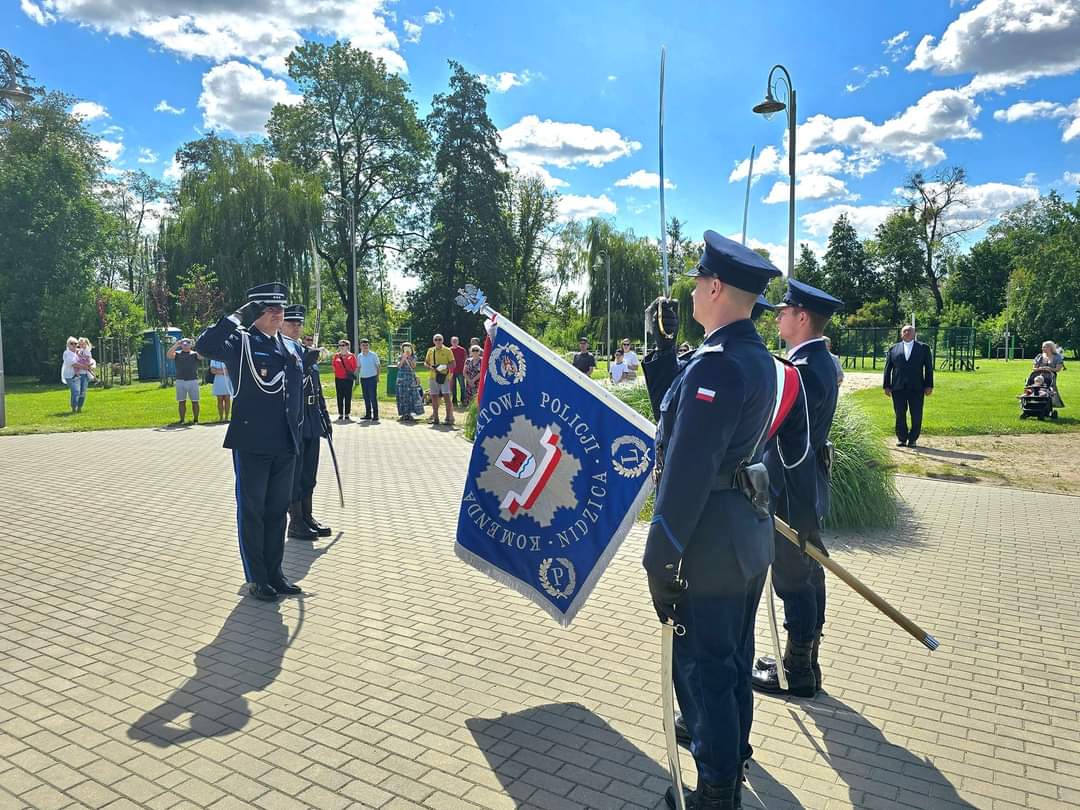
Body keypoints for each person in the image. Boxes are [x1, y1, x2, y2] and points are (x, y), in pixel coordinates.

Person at [642, 231, 792, 810]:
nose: (691, 293)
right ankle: (731, 760)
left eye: (697, 283)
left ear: (713, 287)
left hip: (707, 541)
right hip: (742, 538)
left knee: (706, 673)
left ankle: (715, 790)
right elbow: (690, 422)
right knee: (729, 662)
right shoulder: (749, 356)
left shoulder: (718, 367)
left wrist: (661, 553)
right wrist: (664, 356)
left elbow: (688, 467)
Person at [751, 279, 844, 699]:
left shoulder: (804, 370)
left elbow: (792, 440)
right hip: (802, 483)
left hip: (791, 486)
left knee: (794, 577)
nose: (778, 316)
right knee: (809, 568)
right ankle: (803, 659)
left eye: (784, 310)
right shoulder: (817, 362)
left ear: (802, 317)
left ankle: (799, 669)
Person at [195, 282, 304, 602]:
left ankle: (275, 572)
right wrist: (237, 317)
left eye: (280, 308)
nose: (277, 314)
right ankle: (257, 577)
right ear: (255, 312)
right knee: (253, 510)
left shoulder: (289, 345)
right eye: (268, 309)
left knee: (277, 511)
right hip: (253, 441)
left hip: (286, 442)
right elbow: (205, 345)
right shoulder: (239, 342)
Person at [281, 305, 333, 541]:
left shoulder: (303, 349)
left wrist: (324, 416)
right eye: (291, 323)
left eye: (299, 324)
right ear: (281, 325)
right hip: (294, 419)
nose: (296, 327)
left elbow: (316, 387)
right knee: (296, 471)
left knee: (309, 471)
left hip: (311, 416)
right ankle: (296, 521)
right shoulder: (280, 349)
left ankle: (308, 516)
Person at [883, 325, 934, 448]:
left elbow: (928, 368)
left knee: (916, 414)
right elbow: (887, 368)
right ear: (901, 334)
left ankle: (913, 439)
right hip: (898, 387)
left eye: (910, 331)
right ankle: (902, 438)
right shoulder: (893, 349)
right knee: (900, 413)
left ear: (914, 333)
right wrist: (886, 385)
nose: (907, 332)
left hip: (917, 387)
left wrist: (929, 385)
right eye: (904, 331)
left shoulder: (923, 348)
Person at [166, 338, 202, 424]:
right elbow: (168, 355)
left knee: (195, 401)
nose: (185, 344)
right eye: (183, 343)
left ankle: (196, 420)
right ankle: (182, 420)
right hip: (180, 380)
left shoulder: (195, 354)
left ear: (191, 344)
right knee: (181, 401)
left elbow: (202, 357)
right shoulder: (177, 354)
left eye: (188, 343)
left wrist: (195, 345)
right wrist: (176, 345)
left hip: (193, 380)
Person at [425, 333, 456, 426]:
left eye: (439, 339)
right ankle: (436, 418)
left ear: (442, 340)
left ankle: (448, 418)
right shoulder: (430, 350)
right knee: (434, 397)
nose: (438, 341)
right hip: (433, 377)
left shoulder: (448, 350)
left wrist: (444, 366)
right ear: (433, 341)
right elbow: (425, 363)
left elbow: (453, 364)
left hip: (444, 377)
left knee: (447, 397)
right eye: (436, 340)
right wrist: (430, 367)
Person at [60, 336, 90, 413]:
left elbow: (87, 355)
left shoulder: (78, 352)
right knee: (76, 391)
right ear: (68, 345)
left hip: (78, 375)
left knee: (82, 392)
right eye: (71, 343)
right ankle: (74, 408)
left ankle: (79, 408)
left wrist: (89, 365)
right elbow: (73, 364)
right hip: (70, 376)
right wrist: (85, 366)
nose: (74, 345)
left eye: (75, 343)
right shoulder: (67, 353)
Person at [396, 343, 424, 421]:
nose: (407, 350)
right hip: (401, 378)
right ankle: (404, 414)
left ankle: (410, 413)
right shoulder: (400, 356)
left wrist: (409, 358)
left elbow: (413, 366)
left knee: (411, 396)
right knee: (402, 395)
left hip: (410, 378)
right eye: (405, 348)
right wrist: (403, 358)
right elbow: (399, 366)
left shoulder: (414, 357)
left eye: (408, 348)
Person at [331, 340, 358, 422]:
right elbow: (333, 366)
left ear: (347, 346)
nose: (341, 347)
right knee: (339, 396)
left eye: (343, 345)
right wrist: (337, 372)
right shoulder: (336, 355)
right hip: (338, 378)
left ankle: (346, 414)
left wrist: (349, 373)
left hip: (348, 379)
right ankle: (340, 414)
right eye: (340, 345)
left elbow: (355, 367)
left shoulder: (351, 356)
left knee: (348, 396)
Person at [1033, 340, 1066, 407]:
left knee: (1050, 388)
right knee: (1036, 386)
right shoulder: (1040, 356)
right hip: (1039, 375)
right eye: (1042, 347)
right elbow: (1034, 368)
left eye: (1045, 347)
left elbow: (1058, 369)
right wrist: (1040, 369)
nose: (1043, 349)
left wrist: (1049, 368)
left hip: (1051, 375)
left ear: (1050, 348)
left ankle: (1052, 403)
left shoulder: (1057, 357)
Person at [357, 338, 381, 422]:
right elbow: (359, 367)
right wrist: (357, 377)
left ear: (369, 346)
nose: (365, 347)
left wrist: (378, 377)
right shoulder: (359, 356)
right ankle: (368, 415)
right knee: (366, 397)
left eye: (366, 345)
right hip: (363, 378)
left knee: (373, 397)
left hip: (372, 378)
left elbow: (378, 366)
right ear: (360, 346)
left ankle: (376, 415)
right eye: (363, 345)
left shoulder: (373, 355)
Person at [450, 336, 467, 407]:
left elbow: (466, 360)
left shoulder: (462, 350)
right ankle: (454, 401)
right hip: (452, 371)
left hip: (460, 371)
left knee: (462, 386)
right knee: (453, 387)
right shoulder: (449, 350)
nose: (454, 342)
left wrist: (465, 370)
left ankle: (463, 400)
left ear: (458, 342)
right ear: (451, 342)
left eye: (456, 341)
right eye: (453, 341)